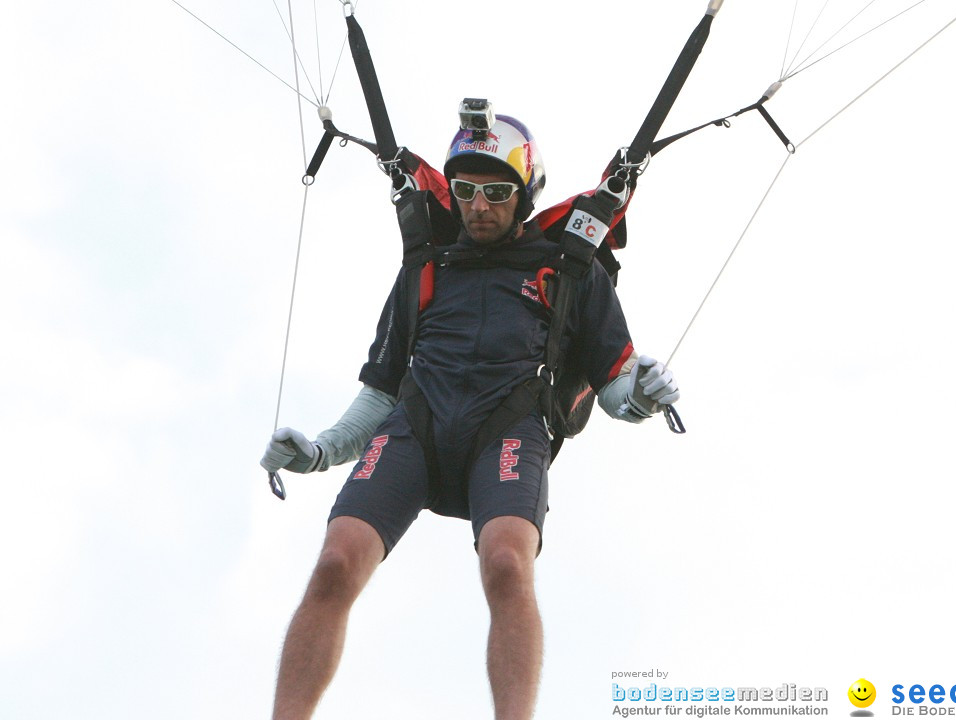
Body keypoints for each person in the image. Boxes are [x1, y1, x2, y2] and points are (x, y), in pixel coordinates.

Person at [260, 111, 681, 720]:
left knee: (508, 565)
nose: (479, 206)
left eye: (497, 192)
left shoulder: (569, 270)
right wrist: (323, 450)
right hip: (416, 429)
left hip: (507, 431)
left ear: (525, 194)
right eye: (465, 192)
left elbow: (614, 387)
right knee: (334, 563)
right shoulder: (426, 269)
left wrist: (642, 392)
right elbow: (380, 392)